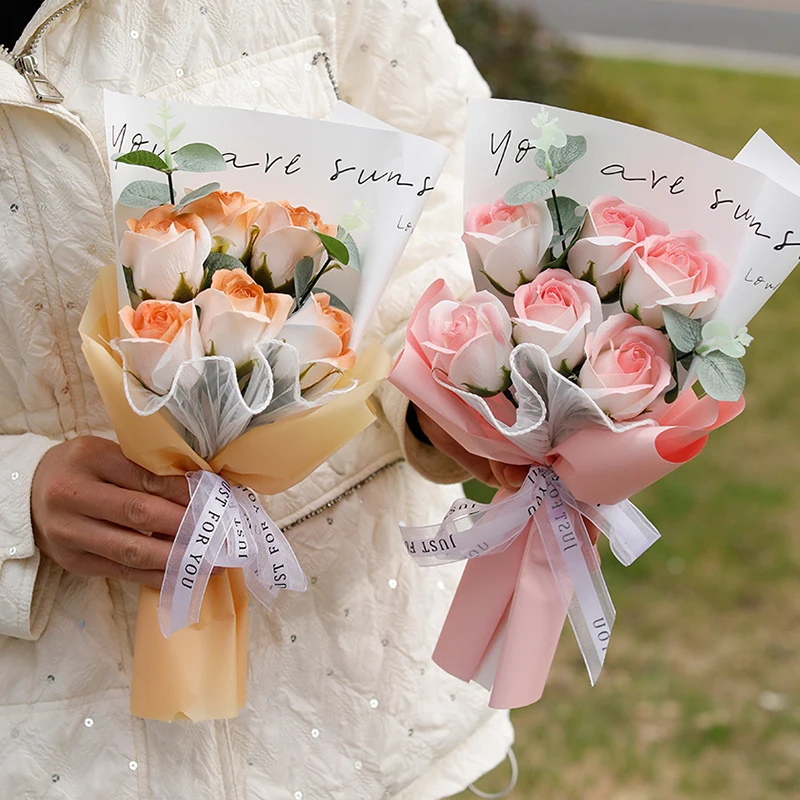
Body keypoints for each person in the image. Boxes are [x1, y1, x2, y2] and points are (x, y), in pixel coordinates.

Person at [0, 1, 528, 798]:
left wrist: (447, 382)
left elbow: (447, 169)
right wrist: (15, 500)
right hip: (49, 746)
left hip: (353, 709)